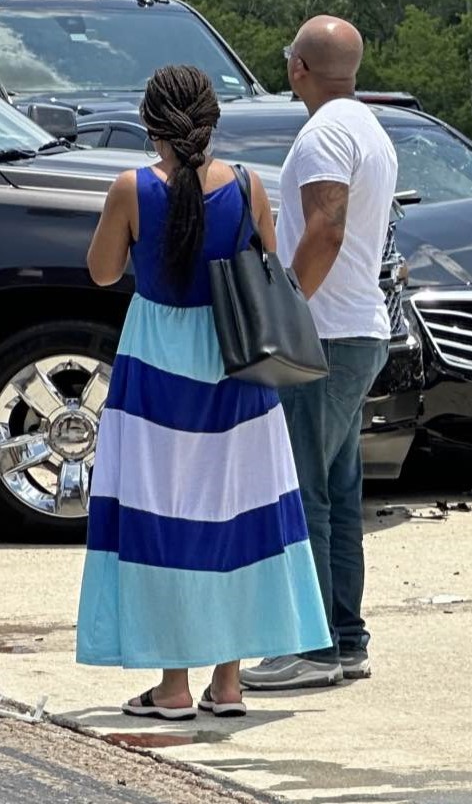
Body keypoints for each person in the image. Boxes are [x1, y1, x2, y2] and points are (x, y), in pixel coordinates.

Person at [77, 65, 330, 720]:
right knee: (236, 513)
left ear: (150, 123)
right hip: (234, 365)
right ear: (212, 121)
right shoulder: (247, 186)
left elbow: (103, 274)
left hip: (158, 368)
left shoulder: (130, 188)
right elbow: (268, 264)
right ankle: (228, 682)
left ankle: (172, 685)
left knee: (164, 518)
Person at [241, 16, 398, 692]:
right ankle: (345, 638)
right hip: (355, 329)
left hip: (327, 334)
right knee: (335, 490)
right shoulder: (368, 126)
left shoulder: (327, 132)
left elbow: (326, 227)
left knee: (303, 489)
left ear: (298, 66)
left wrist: (287, 307)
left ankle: (312, 646)